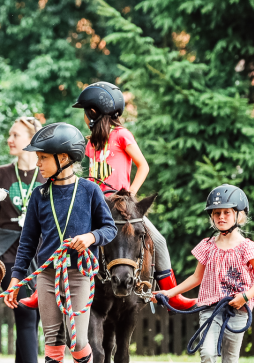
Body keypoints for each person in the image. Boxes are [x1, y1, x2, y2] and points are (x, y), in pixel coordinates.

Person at [5, 123, 117, 363]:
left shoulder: (90, 191)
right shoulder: (40, 195)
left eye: (43, 157)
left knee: (78, 340)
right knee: (53, 341)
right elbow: (27, 243)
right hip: (47, 276)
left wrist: (91, 238)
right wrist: (16, 280)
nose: (38, 163)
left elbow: (109, 228)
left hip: (79, 273)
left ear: (63, 159)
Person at [76, 81, 195, 310]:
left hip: (121, 206)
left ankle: (171, 295)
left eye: (84, 111)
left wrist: (131, 193)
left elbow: (143, 166)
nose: (84, 116)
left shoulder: (122, 135)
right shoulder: (89, 144)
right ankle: (66, 285)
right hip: (97, 205)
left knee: (158, 240)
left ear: (93, 112)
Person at [152, 184, 254, 363]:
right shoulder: (207, 246)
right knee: (206, 354)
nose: (221, 217)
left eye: (227, 212)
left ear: (239, 215)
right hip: (210, 309)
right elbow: (196, 278)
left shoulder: (248, 248)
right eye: (217, 213)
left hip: (238, 311)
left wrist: (244, 296)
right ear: (212, 216)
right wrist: (169, 293)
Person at [0, 117, 48, 363]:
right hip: (8, 253)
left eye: (16, 135)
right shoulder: (0, 174)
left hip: (40, 253)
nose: (10, 139)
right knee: (25, 307)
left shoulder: (46, 176)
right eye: (9, 134)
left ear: (31, 139)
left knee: (32, 316)